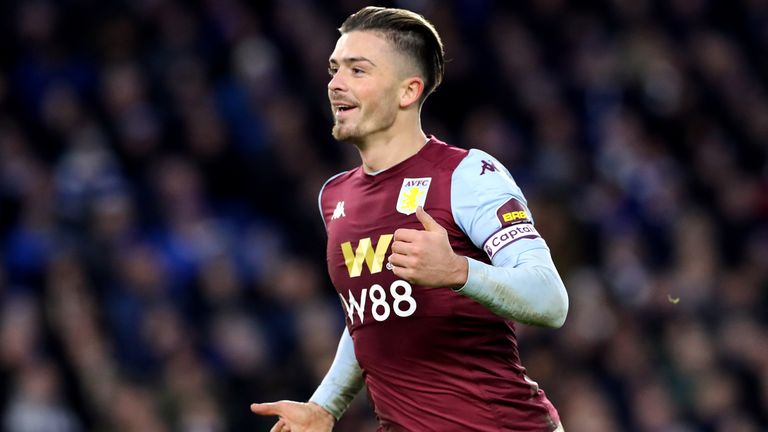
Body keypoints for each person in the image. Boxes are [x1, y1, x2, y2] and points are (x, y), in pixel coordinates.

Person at [251, 6, 569, 431]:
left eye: (357, 71)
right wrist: (325, 406)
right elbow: (369, 317)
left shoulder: (467, 175)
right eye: (334, 70)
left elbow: (551, 300)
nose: (335, 84)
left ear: (408, 91)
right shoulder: (335, 196)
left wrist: (458, 271)